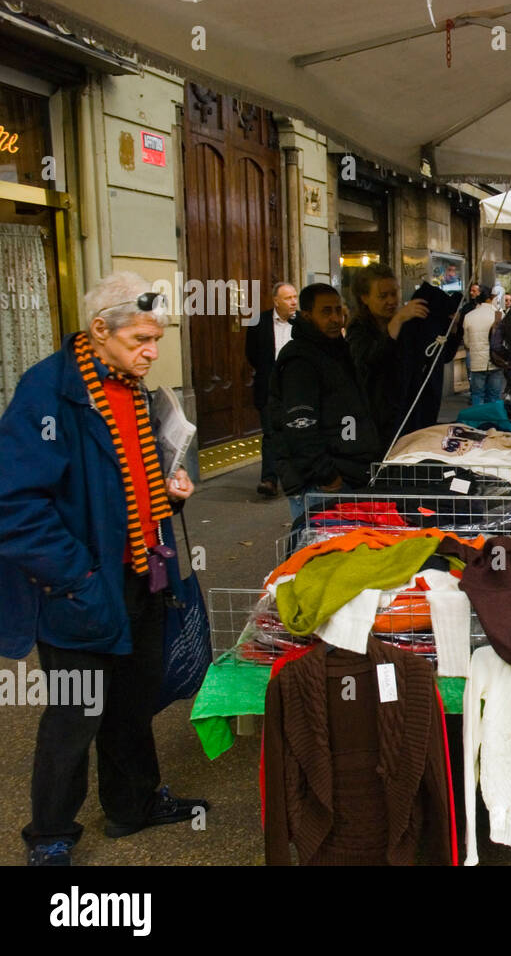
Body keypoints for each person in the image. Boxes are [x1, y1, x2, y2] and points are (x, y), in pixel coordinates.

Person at [0, 271, 207, 866]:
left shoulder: (133, 387)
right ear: (99, 331)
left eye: (157, 339)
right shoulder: (48, 393)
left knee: (130, 702)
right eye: (142, 338)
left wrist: (170, 493)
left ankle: (133, 804)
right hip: (78, 586)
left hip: (144, 572)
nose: (152, 351)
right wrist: (79, 578)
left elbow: (119, 480)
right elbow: (15, 505)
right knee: (74, 714)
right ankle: (50, 835)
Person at [268, 283, 382, 526]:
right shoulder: (300, 359)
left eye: (338, 311)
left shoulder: (337, 350)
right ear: (307, 315)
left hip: (347, 475)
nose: (335, 318)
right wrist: (328, 476)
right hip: (322, 485)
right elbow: (300, 426)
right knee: (320, 556)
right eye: (325, 312)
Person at [346, 264, 428, 444]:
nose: (391, 301)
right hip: (375, 422)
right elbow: (369, 359)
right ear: (365, 298)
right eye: (383, 296)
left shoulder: (406, 326)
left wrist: (452, 332)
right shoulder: (358, 329)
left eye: (394, 294)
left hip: (407, 415)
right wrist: (397, 321)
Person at [245, 281, 297, 498]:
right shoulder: (259, 321)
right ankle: (269, 480)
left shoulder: (304, 322)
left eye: (295, 297)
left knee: (295, 432)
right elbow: (252, 354)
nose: (293, 302)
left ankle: (295, 478)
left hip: (296, 388)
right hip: (269, 387)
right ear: (276, 300)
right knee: (270, 434)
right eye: (288, 298)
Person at [462, 285, 504, 405]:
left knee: (477, 395)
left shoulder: (469, 316)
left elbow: (466, 342)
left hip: (477, 363)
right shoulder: (499, 315)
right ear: (490, 298)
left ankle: (479, 421)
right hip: (496, 361)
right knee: (494, 396)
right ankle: (493, 421)